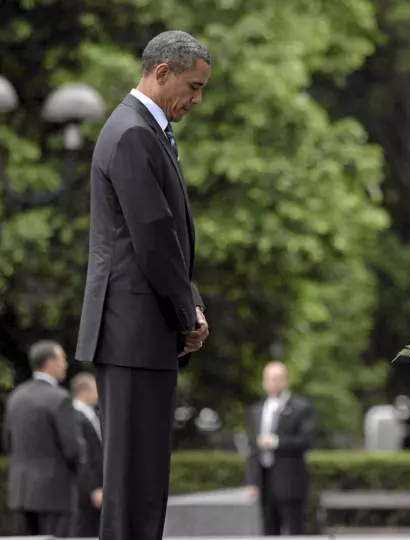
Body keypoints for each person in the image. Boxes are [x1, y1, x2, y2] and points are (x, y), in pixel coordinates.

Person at [75, 30, 211, 540]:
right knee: (134, 488)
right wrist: (187, 317)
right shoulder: (133, 132)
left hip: (139, 333)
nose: (196, 100)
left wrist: (188, 307)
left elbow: (163, 238)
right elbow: (152, 240)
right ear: (161, 72)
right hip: (132, 333)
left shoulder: (141, 130)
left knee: (144, 483)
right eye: (193, 87)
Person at [3, 340, 82, 537]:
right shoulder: (60, 398)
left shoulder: (16, 396)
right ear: (51, 362)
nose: (65, 364)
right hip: (55, 492)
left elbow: (8, 441)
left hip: (21, 492)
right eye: (62, 359)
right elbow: (73, 448)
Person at [245, 362, 318, 535]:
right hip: (265, 481)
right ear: (264, 382)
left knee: (295, 529)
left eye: (278, 379)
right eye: (270, 379)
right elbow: (253, 449)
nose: (274, 383)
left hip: (291, 482)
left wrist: (275, 442)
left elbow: (307, 440)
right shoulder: (257, 410)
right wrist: (252, 481)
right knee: (269, 530)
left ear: (286, 381)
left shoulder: (301, 408)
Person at [71, 373, 103, 537]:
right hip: (87, 491)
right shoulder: (74, 416)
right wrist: (92, 488)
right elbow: (83, 457)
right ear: (84, 390)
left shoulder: (93, 414)